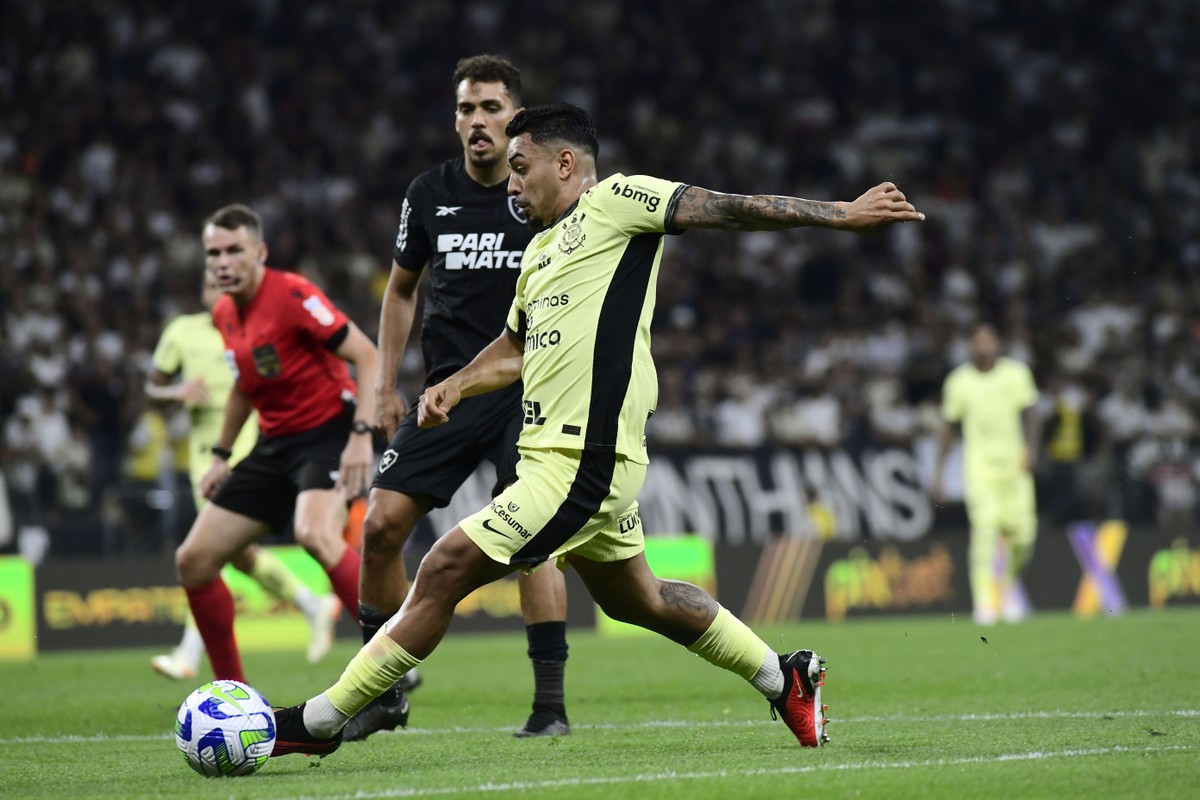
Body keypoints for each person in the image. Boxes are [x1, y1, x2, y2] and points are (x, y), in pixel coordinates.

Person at [269, 103, 923, 758]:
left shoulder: (618, 201)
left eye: (520, 168)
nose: (512, 183)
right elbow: (513, 349)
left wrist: (842, 213)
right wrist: (455, 384)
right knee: (640, 599)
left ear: (565, 164)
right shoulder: (539, 254)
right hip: (551, 456)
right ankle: (785, 678)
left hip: (585, 456)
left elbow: (728, 206)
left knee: (445, 566)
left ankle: (318, 723)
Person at [347, 55, 571, 741]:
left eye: (491, 108)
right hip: (445, 392)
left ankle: (549, 708)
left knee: (531, 545)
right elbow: (401, 290)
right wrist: (384, 387)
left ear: (516, 118)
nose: (477, 121)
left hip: (527, 388)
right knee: (380, 527)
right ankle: (383, 691)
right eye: (467, 109)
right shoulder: (429, 192)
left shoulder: (540, 195)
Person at [174, 204, 379, 685]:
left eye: (233, 251)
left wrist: (360, 437)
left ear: (259, 253)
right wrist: (221, 456)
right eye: (213, 254)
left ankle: (389, 658)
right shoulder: (225, 312)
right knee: (194, 560)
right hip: (275, 443)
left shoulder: (291, 293)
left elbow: (366, 355)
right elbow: (246, 386)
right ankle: (234, 694)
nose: (222, 262)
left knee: (315, 534)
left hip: (329, 430)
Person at [146, 273, 340, 681]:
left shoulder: (254, 324)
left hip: (254, 446)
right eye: (210, 276)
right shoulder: (182, 331)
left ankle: (189, 655)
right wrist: (176, 392)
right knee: (231, 554)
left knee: (203, 554)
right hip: (206, 454)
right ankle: (310, 603)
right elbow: (152, 387)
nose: (217, 284)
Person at [933, 323, 1040, 625]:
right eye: (977, 341)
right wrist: (938, 472)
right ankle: (984, 603)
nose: (983, 346)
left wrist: (1031, 450)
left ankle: (1005, 588)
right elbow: (950, 428)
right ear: (970, 345)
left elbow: (1031, 414)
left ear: (998, 343)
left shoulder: (1016, 374)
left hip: (1015, 465)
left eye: (988, 340)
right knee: (985, 530)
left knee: (1024, 536)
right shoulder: (959, 381)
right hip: (979, 467)